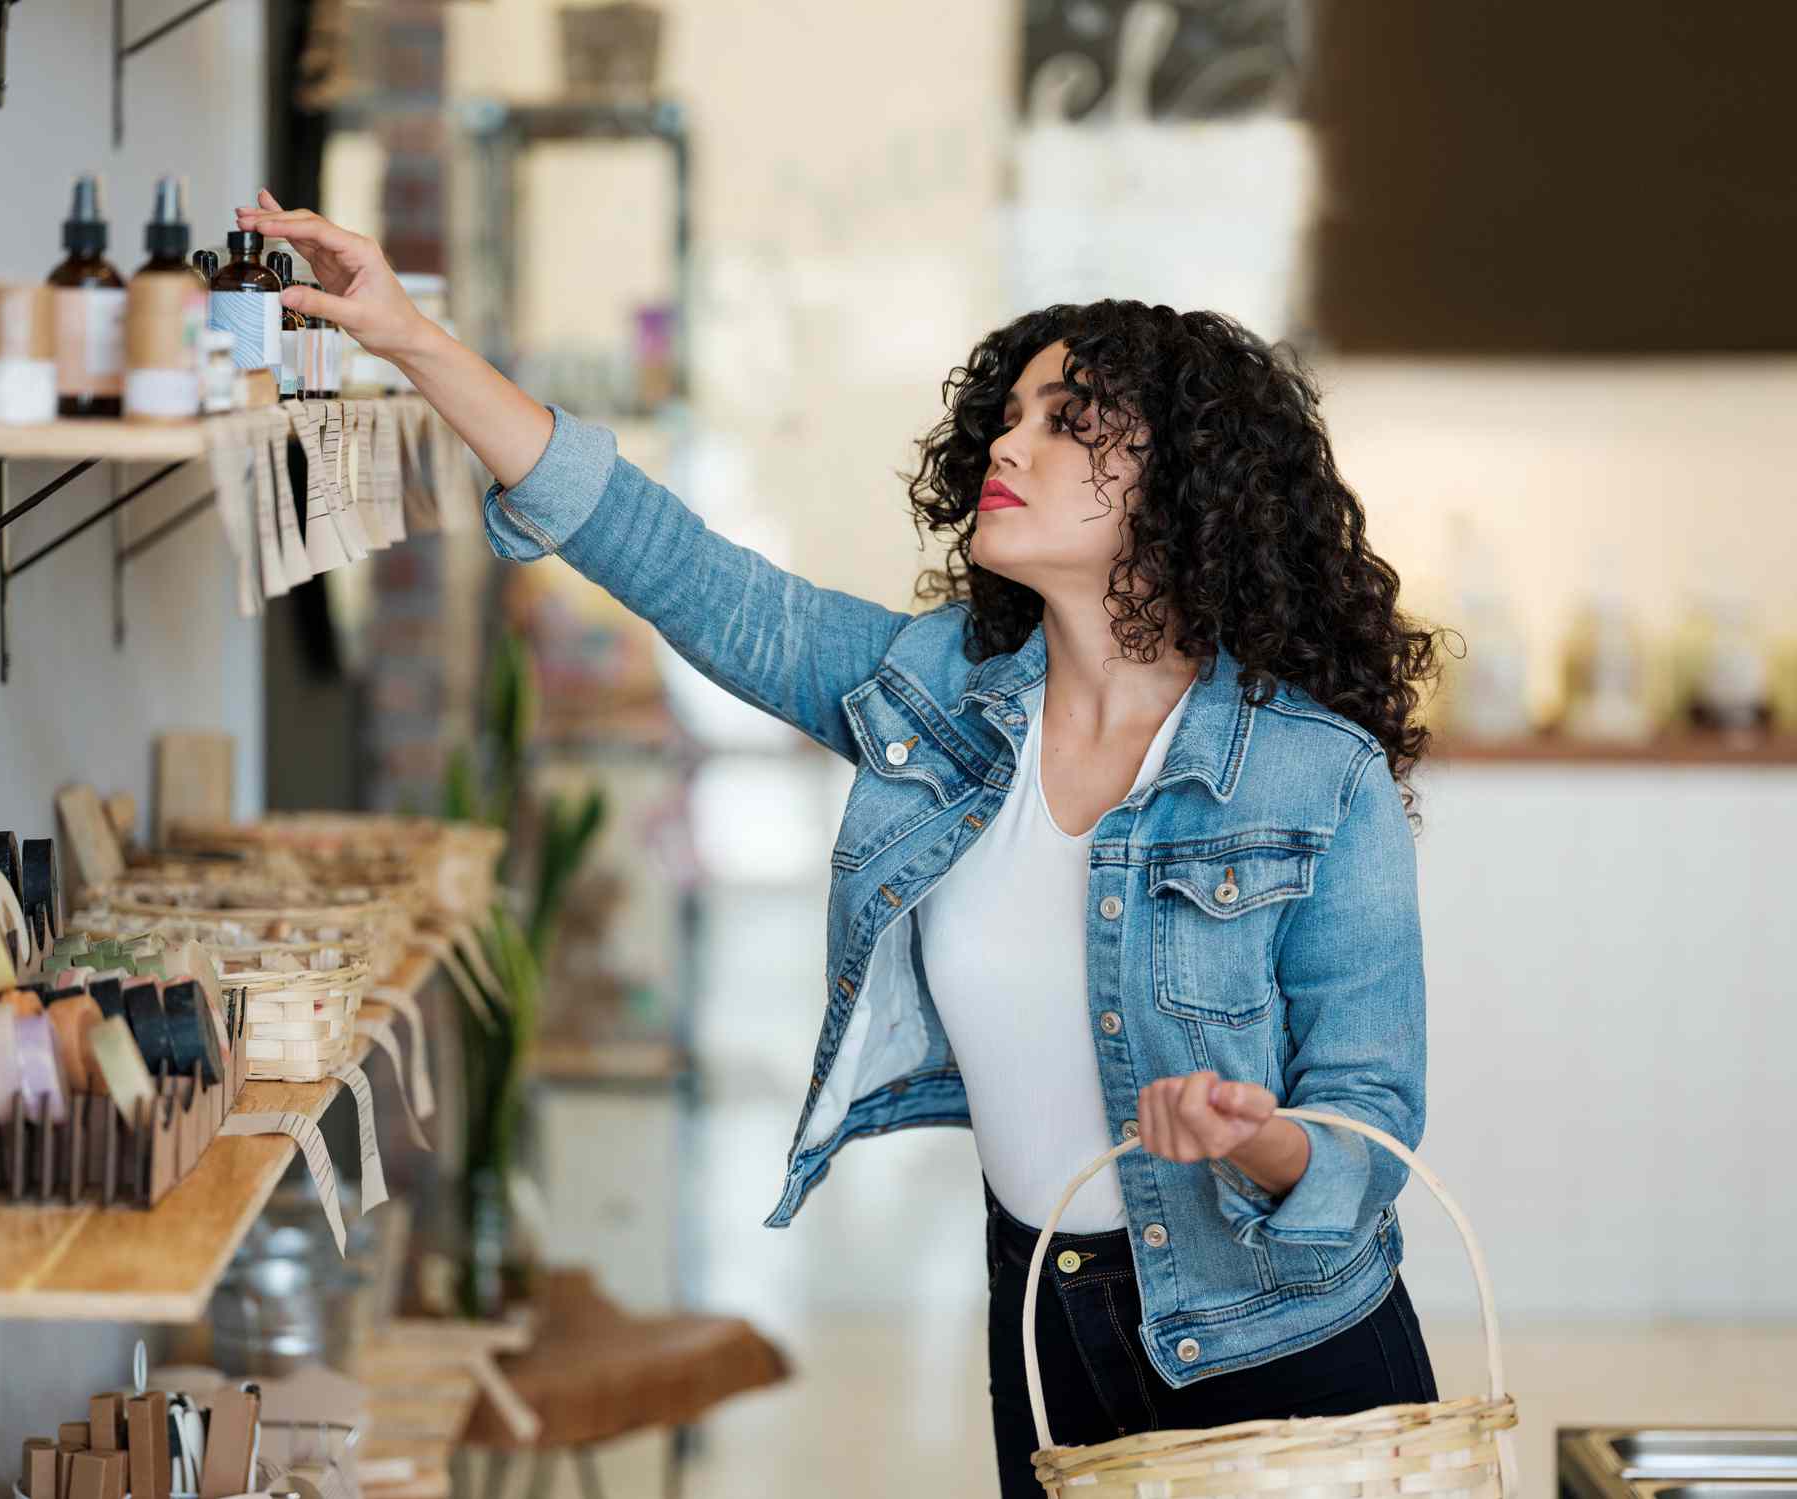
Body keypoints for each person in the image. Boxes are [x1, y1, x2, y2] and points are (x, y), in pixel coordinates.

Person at [239, 190, 1451, 1496]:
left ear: (1189, 492)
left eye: (1069, 423)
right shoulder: (935, 699)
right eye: (1012, 411)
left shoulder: (1317, 776)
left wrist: (1255, 1137)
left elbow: (1370, 1131)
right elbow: (675, 562)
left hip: (1285, 1349)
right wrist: (412, 340)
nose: (1012, 442)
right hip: (1046, 1319)